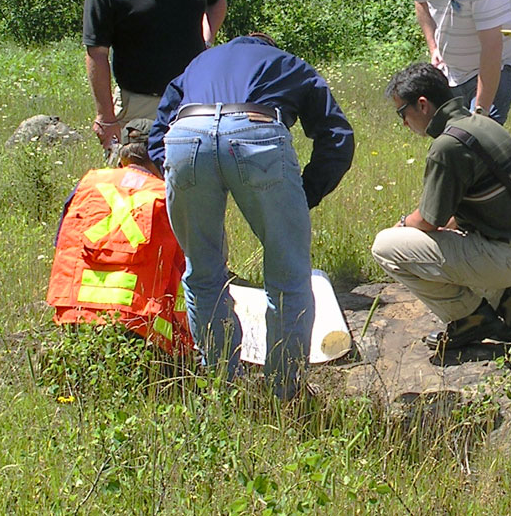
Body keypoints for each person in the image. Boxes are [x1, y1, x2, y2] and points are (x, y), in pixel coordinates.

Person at [148, 33, 355, 397]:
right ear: (269, 46)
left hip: (186, 135)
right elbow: (337, 136)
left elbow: (157, 136)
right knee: (288, 278)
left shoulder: (198, 64)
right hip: (255, 131)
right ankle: (285, 392)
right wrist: (306, 193)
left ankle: (218, 385)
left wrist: (176, 173)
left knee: (203, 274)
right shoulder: (288, 63)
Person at [370, 63, 511, 350]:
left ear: (422, 105)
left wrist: (400, 225)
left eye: (403, 113)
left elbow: (428, 220)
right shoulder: (482, 123)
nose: (404, 123)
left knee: (386, 247)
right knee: (450, 234)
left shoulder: (448, 145)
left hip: (506, 258)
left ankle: (470, 318)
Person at [83, 0, 228, 151]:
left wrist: (207, 37)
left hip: (191, 98)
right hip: (138, 103)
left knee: (192, 180)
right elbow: (96, 53)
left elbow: (217, 0)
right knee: (133, 181)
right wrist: (106, 117)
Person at [47, 119, 193, 354]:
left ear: (121, 154)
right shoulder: (168, 197)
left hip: (75, 313)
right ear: (162, 155)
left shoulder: (89, 184)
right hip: (139, 324)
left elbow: (63, 243)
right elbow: (191, 270)